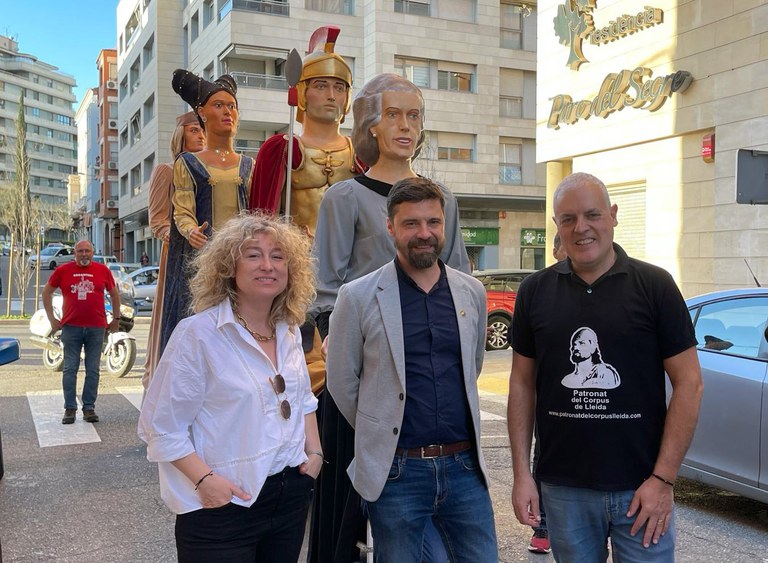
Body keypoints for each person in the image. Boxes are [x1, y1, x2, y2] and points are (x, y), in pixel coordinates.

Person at [310, 73, 469, 562]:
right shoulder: (344, 197)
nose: (404, 125)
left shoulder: (443, 201)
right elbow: (325, 287)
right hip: (365, 367)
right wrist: (344, 345)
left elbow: (460, 282)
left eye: (413, 115)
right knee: (351, 511)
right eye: (393, 114)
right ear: (372, 125)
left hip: (430, 373)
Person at [507, 172, 703, 562]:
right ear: (557, 225)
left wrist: (663, 479)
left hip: (642, 488)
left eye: (592, 215)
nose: (581, 227)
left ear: (612, 215)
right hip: (564, 489)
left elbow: (690, 384)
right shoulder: (534, 292)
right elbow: (522, 385)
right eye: (568, 219)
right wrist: (521, 475)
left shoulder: (655, 286)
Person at [326, 177, 497, 562]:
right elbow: (341, 380)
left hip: (465, 468)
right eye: (411, 223)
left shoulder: (472, 292)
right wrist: (381, 424)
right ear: (390, 227)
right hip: (397, 472)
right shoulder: (357, 296)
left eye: (433, 222)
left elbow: (472, 366)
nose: (424, 233)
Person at [138, 212, 323, 562]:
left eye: (278, 256)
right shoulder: (198, 334)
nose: (267, 265)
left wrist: (314, 454)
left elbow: (303, 400)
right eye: (253, 255)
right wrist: (206, 482)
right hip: (222, 508)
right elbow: (160, 427)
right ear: (228, 267)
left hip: (289, 498)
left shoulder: (289, 331)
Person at [249, 26, 362, 399]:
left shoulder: (361, 153)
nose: (331, 95)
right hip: (294, 274)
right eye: (320, 85)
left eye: (339, 87)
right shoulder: (282, 149)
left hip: (349, 274)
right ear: (300, 93)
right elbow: (260, 220)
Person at [159, 69, 255, 354]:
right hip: (204, 262)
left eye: (232, 106)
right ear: (202, 112)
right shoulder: (188, 163)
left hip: (243, 260)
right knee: (203, 331)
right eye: (219, 105)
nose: (227, 112)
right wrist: (190, 231)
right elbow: (182, 209)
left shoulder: (249, 164)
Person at [142, 111, 206, 389]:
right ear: (180, 135)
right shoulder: (167, 170)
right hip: (180, 256)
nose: (201, 135)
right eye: (194, 130)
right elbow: (157, 220)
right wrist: (182, 236)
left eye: (203, 130)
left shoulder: (212, 172)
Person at [42, 240, 120, 424]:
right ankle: (70, 408)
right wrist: (52, 319)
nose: (84, 254)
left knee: (93, 370)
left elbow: (114, 294)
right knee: (70, 368)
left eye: (87, 251)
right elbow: (46, 293)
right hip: (71, 328)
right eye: (80, 251)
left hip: (96, 328)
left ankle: (89, 408)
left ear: (92, 253)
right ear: (74, 253)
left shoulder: (103, 270)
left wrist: (116, 319)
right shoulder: (63, 270)